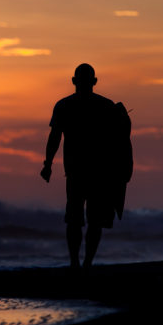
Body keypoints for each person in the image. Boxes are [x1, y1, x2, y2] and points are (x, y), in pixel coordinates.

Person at [41, 63, 121, 270]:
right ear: (94, 81)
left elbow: (54, 138)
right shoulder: (106, 106)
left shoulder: (64, 105)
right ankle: (85, 263)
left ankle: (76, 263)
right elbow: (119, 142)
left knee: (76, 220)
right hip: (98, 172)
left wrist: (48, 164)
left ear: (74, 81)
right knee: (91, 221)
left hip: (79, 172)